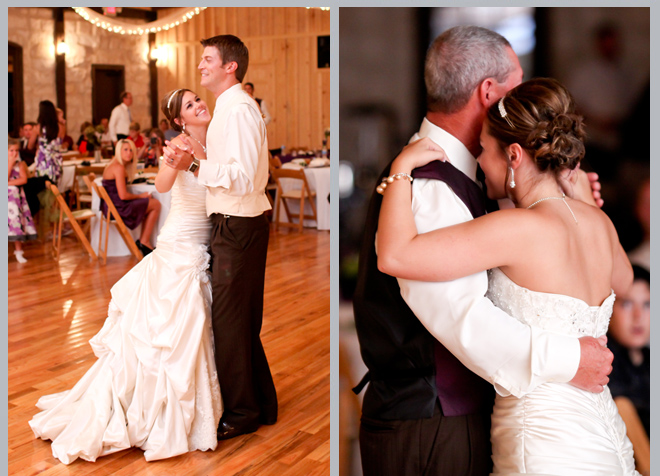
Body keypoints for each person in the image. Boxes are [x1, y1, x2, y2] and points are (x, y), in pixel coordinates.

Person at [352, 26, 611, 476]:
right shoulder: (428, 183)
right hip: (432, 426)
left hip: (464, 419)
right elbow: (462, 317)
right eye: (517, 83)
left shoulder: (472, 180)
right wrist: (571, 359)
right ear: (489, 93)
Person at [29, 88, 222, 464]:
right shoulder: (179, 144)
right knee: (168, 331)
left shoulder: (217, 140)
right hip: (181, 243)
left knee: (192, 328)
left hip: (205, 241)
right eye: (190, 105)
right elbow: (163, 186)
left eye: (199, 99)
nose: (200, 104)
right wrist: (174, 160)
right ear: (180, 120)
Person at [163, 34, 278, 440]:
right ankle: (262, 403)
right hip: (232, 222)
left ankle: (243, 412)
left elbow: (243, 177)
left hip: (239, 222)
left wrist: (195, 166)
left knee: (229, 323)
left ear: (230, 66)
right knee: (239, 320)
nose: (200, 66)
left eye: (207, 59)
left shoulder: (239, 110)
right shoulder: (227, 109)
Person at [608, 264, 650, 436]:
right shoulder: (602, 366)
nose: (638, 316)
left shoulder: (649, 361)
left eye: (647, 304)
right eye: (626, 304)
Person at [100, 139, 161, 255]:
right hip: (118, 209)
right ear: (119, 151)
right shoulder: (119, 168)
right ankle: (144, 241)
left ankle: (143, 241)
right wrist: (141, 196)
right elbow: (123, 196)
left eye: (131, 150)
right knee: (155, 204)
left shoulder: (113, 165)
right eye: (126, 150)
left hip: (110, 207)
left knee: (149, 203)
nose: (129, 153)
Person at [8, 138, 37, 263]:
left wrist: (7, 183)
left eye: (16, 150)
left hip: (15, 201)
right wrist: (9, 163)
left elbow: (23, 180)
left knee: (16, 224)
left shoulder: (20, 164)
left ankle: (19, 252)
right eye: (11, 150)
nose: (14, 153)